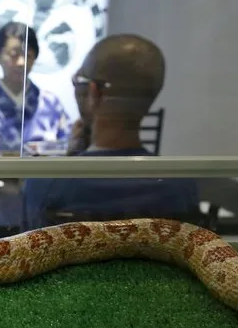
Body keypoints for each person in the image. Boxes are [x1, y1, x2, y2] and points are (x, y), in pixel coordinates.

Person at [22, 33, 199, 229]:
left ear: (94, 93)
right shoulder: (181, 187)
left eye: (78, 81)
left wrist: (69, 161)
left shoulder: (44, 183)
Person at [0, 21, 71, 157]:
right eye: (13, 54)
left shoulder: (51, 103)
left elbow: (68, 149)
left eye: (28, 55)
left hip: (44, 178)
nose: (21, 62)